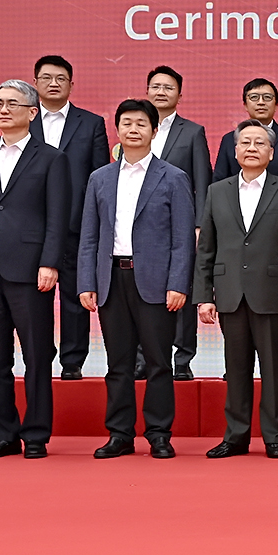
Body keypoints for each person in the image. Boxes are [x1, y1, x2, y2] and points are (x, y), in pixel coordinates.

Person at [78, 99, 196, 461]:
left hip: (156, 283)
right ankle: (120, 434)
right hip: (111, 279)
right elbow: (89, 236)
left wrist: (178, 283)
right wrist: (87, 282)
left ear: (154, 131)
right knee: (118, 363)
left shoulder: (173, 177)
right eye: (127, 123)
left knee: (159, 361)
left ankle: (159, 434)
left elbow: (182, 239)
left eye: (141, 123)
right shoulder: (100, 178)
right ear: (117, 130)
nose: (133, 129)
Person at [0, 79, 70, 459]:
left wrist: (50, 262)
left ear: (32, 112)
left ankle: (36, 434)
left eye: (12, 103)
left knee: (36, 356)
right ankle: (3, 434)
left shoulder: (52, 158)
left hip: (31, 270)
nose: (3, 110)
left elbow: (57, 216)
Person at [196, 121, 278, 459]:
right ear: (235, 151)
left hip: (271, 292)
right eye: (245, 142)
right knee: (236, 368)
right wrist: (203, 296)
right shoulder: (217, 192)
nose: (251, 148)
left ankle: (275, 437)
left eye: (260, 143)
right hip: (229, 292)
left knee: (273, 369)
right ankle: (236, 436)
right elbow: (206, 248)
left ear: (271, 153)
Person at [32, 55, 110, 380]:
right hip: (31, 226)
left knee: (74, 298)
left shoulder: (90, 123)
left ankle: (73, 361)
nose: (53, 83)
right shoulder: (22, 121)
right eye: (47, 78)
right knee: (34, 298)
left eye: (60, 78)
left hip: (76, 225)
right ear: (35, 83)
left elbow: (100, 178)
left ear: (71, 85)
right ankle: (38, 359)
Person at [142, 66, 212, 383]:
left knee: (182, 289)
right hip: (141, 226)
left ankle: (182, 358)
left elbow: (202, 181)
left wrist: (199, 225)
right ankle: (143, 357)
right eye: (156, 86)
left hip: (180, 224)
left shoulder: (192, 132)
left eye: (168, 87)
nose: (161, 92)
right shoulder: (135, 127)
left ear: (179, 95)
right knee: (142, 291)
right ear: (147, 91)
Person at [214, 77, 278, 195]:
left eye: (267, 97)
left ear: (276, 105)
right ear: (245, 105)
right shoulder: (229, 140)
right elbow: (219, 183)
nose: (261, 102)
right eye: (254, 97)